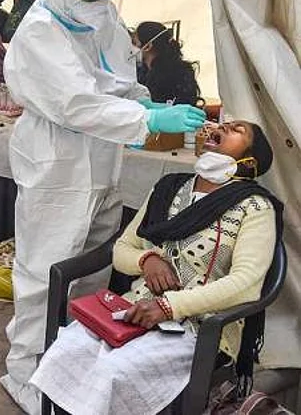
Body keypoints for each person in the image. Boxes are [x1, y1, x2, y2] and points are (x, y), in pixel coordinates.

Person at [1, 0, 207, 413]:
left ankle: (72, 361)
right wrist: (144, 121)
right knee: (44, 272)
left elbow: (116, 80)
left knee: (93, 265)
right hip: (56, 163)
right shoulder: (40, 31)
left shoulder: (101, 15)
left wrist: (146, 104)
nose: (102, 6)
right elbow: (76, 103)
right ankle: (26, 373)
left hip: (102, 157)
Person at [32, 121, 280, 415]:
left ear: (250, 161)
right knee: (67, 350)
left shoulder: (255, 208)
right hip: (133, 309)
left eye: (238, 130)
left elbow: (246, 283)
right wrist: (146, 260)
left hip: (199, 328)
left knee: (114, 371)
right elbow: (122, 249)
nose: (224, 126)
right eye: (225, 123)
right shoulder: (169, 189)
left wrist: (168, 306)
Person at [134, 21, 202, 105]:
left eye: (134, 43)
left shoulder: (174, 75)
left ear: (147, 46)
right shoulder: (141, 72)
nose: (130, 48)